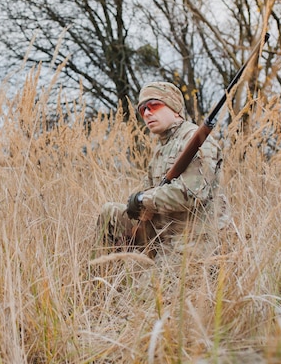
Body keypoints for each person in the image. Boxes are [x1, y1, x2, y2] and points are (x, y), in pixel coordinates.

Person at [96, 81, 224, 259]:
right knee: (111, 213)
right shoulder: (162, 147)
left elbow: (191, 196)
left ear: (174, 108)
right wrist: (138, 205)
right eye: (142, 110)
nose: (147, 113)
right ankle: (102, 276)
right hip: (163, 232)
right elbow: (149, 189)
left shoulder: (197, 141)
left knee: (146, 287)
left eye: (154, 105)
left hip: (194, 240)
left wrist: (142, 199)